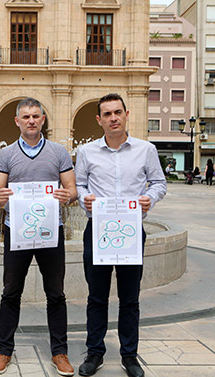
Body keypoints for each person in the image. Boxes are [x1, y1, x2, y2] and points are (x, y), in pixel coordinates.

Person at [75, 93, 166, 377]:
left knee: (130, 298)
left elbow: (159, 182)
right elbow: (78, 184)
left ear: (126, 114)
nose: (113, 118)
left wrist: (150, 198)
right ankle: (95, 353)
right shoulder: (87, 152)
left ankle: (130, 356)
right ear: (99, 119)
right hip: (97, 230)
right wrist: (84, 198)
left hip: (130, 230)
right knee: (96, 297)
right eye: (107, 114)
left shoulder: (145, 149)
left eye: (117, 112)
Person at [0, 97, 77, 376]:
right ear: (17, 121)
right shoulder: (5, 154)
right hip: (17, 230)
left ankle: (59, 352)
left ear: (43, 120)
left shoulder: (59, 152)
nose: (31, 121)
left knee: (56, 293)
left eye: (36, 116)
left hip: (51, 231)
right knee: (11, 291)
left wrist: (68, 196)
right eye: (26, 117)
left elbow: (72, 190)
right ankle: (3, 350)